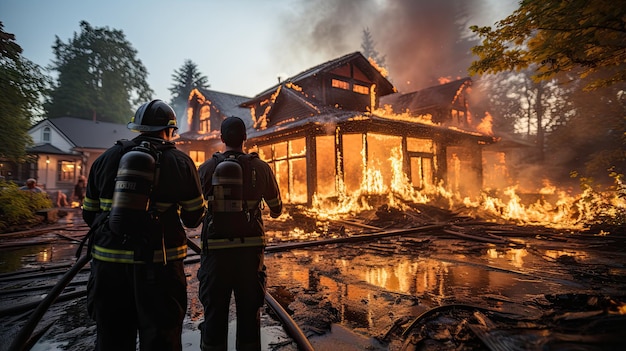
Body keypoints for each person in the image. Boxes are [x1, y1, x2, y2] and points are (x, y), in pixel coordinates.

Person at [82, 100, 205, 351]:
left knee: (111, 340)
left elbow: (89, 215)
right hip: (159, 268)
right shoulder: (181, 162)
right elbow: (193, 218)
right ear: (170, 130)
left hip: (109, 269)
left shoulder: (105, 159)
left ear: (137, 128)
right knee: (162, 340)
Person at [197, 116, 282, 351]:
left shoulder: (206, 169)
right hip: (249, 253)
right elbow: (276, 209)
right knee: (249, 312)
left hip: (215, 255)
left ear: (221, 138)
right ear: (245, 137)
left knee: (214, 312)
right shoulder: (261, 168)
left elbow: (192, 215)